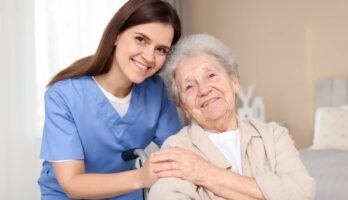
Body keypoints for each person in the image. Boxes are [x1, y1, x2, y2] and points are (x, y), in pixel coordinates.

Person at [38, 0, 182, 199]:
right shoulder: (63, 96)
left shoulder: (157, 92)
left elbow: (180, 150)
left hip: (126, 194)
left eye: (161, 50)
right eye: (141, 39)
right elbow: (72, 183)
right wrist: (141, 177)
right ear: (116, 35)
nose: (149, 57)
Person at [148, 34, 315, 200]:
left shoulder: (274, 135)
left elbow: (302, 192)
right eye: (190, 86)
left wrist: (205, 173)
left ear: (234, 81)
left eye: (211, 75)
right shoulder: (176, 150)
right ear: (182, 105)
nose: (204, 90)